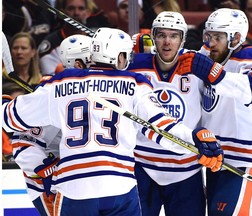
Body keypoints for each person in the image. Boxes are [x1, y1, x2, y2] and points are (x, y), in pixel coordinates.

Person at [3, 27, 223, 216]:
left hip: (74, 186)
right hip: (119, 186)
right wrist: (196, 142)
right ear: (119, 57)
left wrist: (6, 105)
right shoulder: (135, 83)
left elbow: (11, 119)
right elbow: (162, 130)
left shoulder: (61, 83)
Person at [180, 8, 252, 215]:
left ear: (236, 38)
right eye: (208, 35)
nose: (210, 42)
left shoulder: (251, 56)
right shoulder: (207, 54)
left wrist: (217, 75)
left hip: (249, 160)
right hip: (219, 158)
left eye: (218, 37)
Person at [128, 11, 207, 216]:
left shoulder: (197, 65)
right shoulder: (135, 66)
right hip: (143, 166)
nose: (166, 42)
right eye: (161, 35)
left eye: (173, 36)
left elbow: (226, 85)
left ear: (182, 39)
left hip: (186, 171)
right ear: (152, 37)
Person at [8, 34, 92, 216]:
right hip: (50, 186)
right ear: (78, 63)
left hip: (85, 180)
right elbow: (23, 146)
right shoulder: (50, 93)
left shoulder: (98, 92)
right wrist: (54, 170)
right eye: (91, 61)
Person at [38, 0, 111, 75]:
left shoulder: (98, 40)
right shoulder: (51, 43)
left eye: (81, 8)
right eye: (71, 8)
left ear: (88, 13)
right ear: (62, 12)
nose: (76, 13)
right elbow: (51, 77)